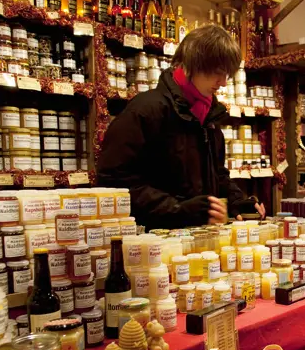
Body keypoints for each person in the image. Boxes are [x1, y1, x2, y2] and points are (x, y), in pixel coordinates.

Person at [97, 25, 265, 230]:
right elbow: (114, 182)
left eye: (226, 74)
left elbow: (218, 174)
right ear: (191, 64)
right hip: (152, 244)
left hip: (196, 242)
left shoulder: (209, 118)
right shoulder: (145, 111)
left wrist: (236, 201)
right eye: (217, 73)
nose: (222, 83)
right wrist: (178, 210)